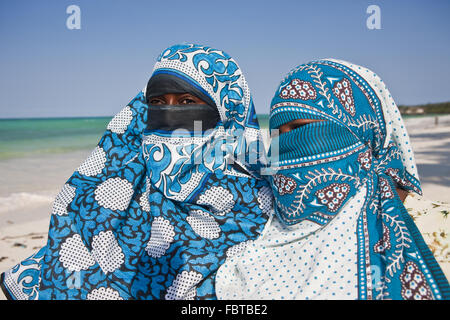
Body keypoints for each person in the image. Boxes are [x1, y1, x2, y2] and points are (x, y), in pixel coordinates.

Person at [0, 43, 272, 300]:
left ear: (226, 112)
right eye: (157, 102)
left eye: (187, 102)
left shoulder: (261, 206)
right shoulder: (116, 198)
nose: (168, 114)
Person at [215, 59, 450, 300]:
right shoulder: (266, 230)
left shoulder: (439, 230)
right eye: (277, 134)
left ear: (361, 130)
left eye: (300, 128)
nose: (286, 145)